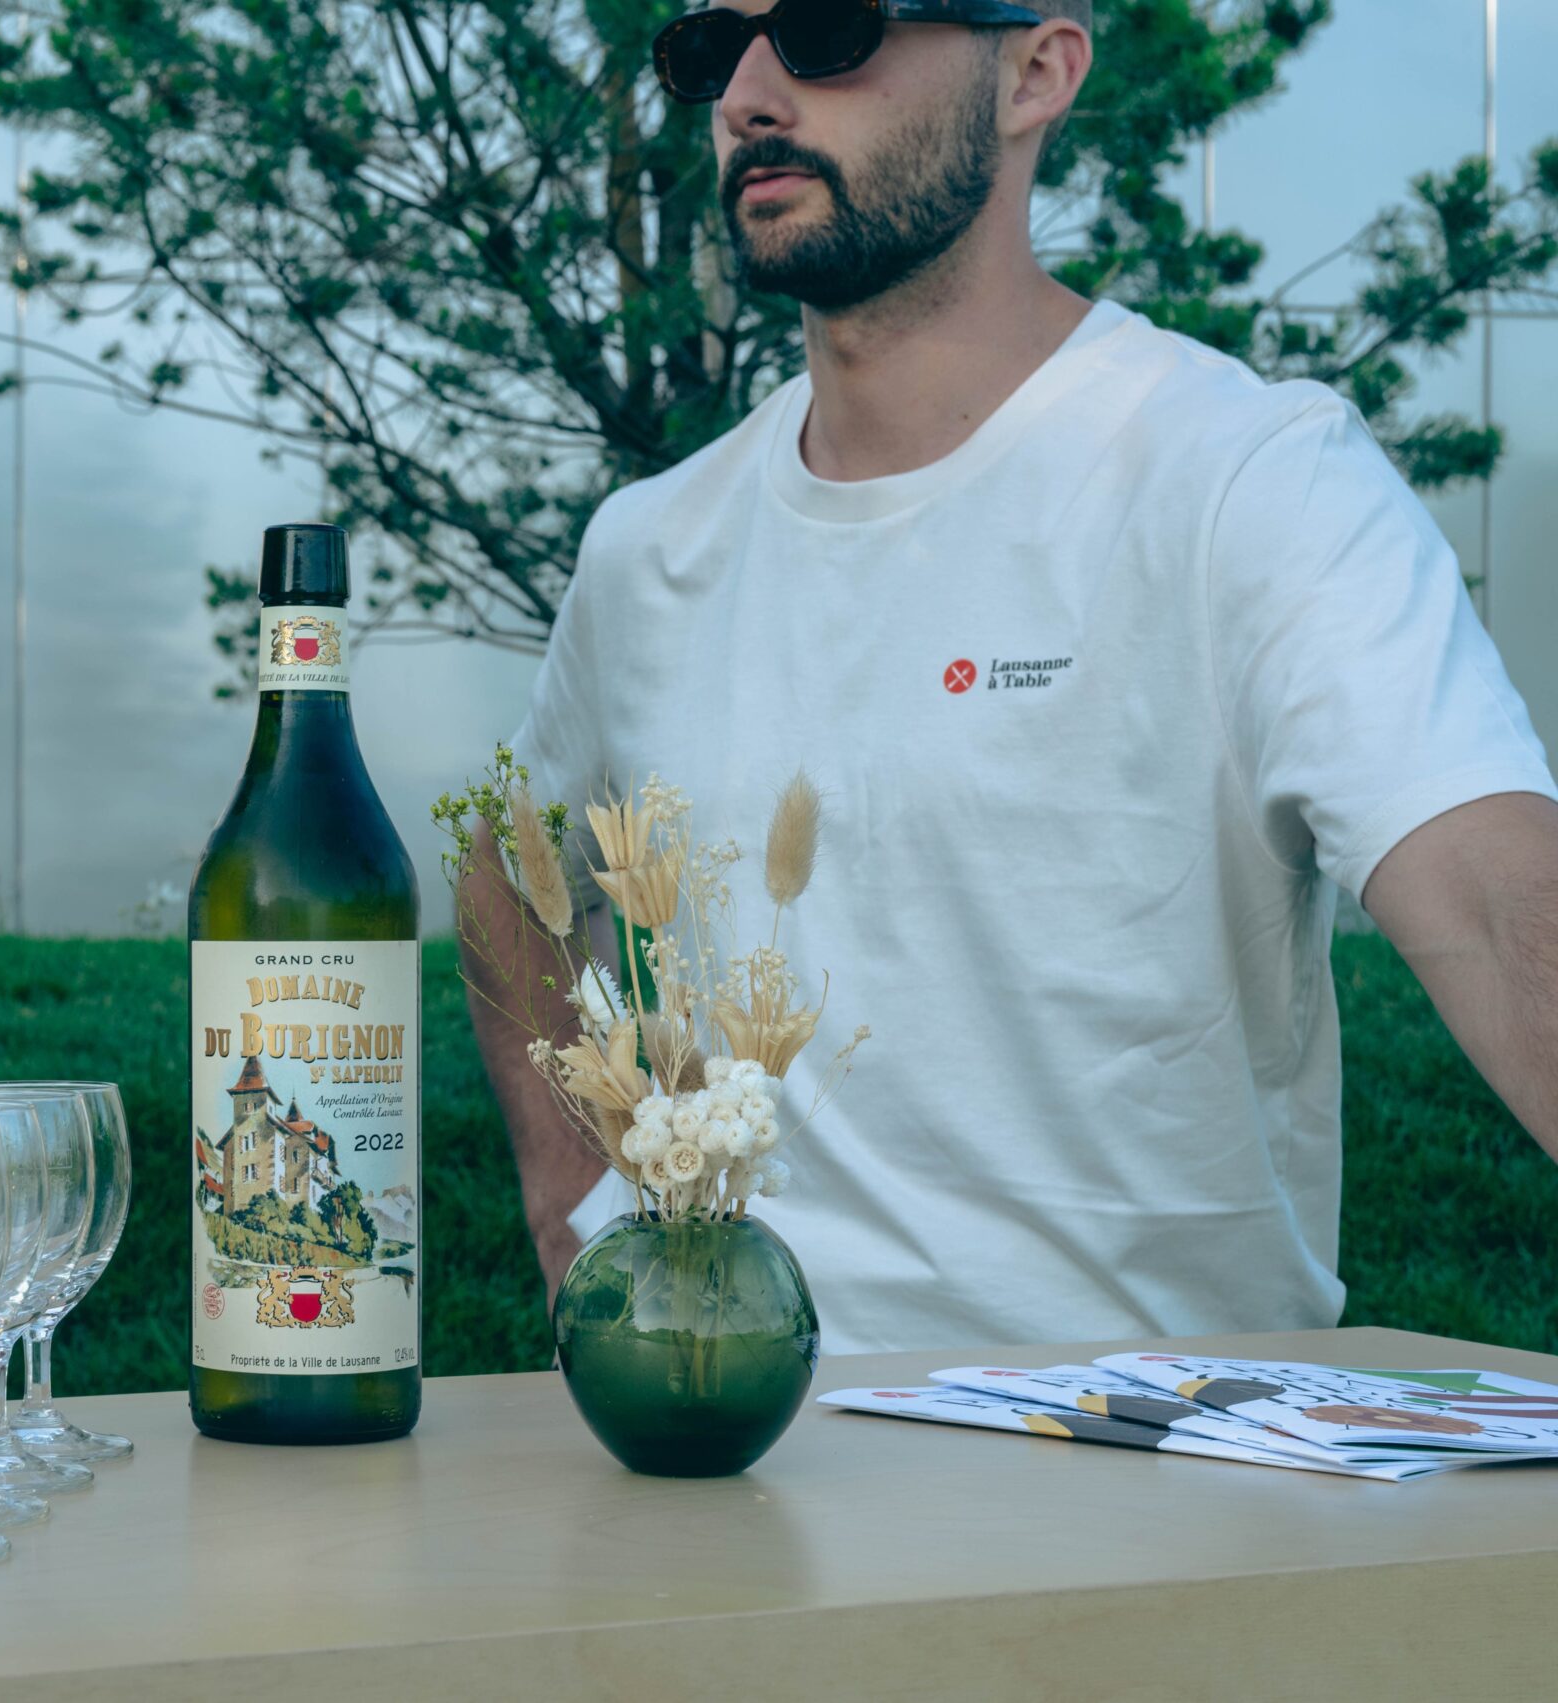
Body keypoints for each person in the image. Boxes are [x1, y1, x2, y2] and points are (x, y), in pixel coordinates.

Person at [472, 0, 1558, 1355]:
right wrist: (574, 1211)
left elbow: (1498, 909)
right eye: (711, 48)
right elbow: (510, 867)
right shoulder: (650, 548)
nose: (747, 93)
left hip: (1147, 1445)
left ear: (1036, 72)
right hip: (725, 1435)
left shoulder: (1246, 482)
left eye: (825, 29)